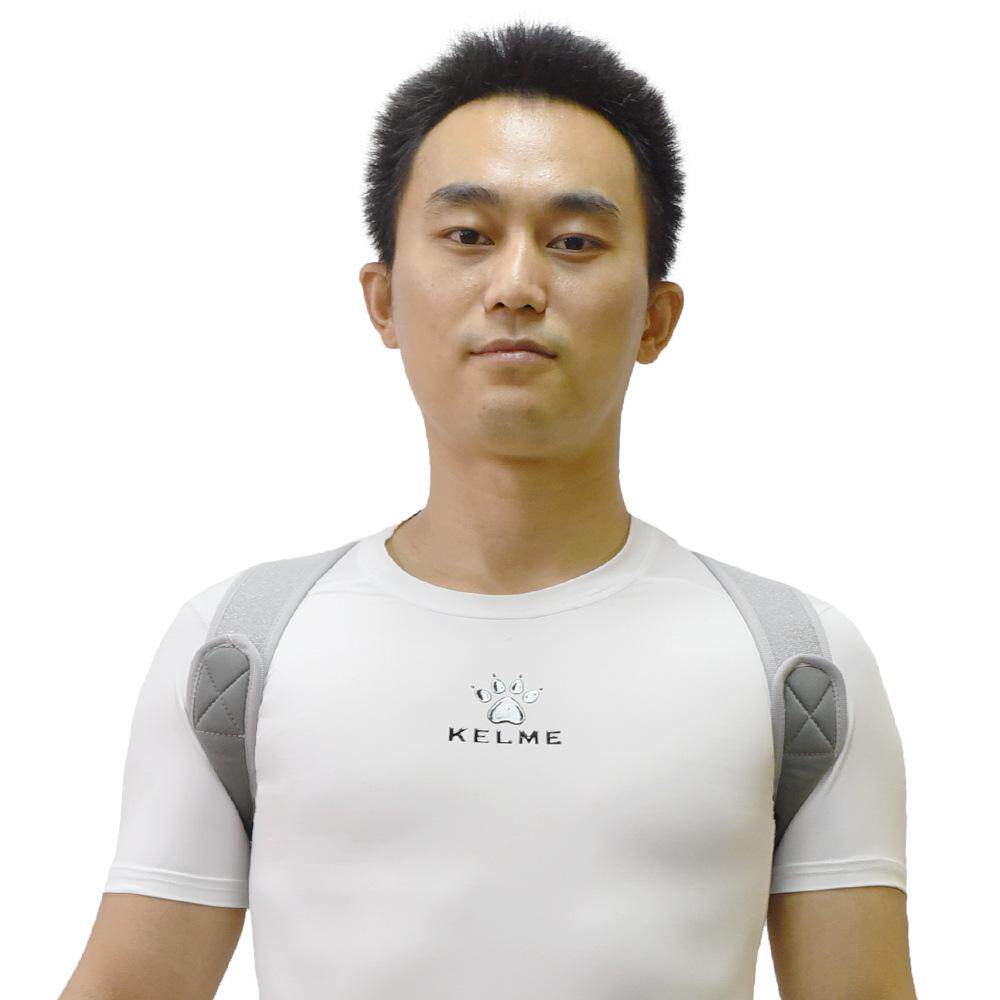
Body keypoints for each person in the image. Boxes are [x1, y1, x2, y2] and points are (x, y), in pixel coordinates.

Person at [59, 21, 916, 1000]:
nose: (517, 286)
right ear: (382, 299)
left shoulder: (797, 663)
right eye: (468, 235)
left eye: (574, 242)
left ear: (656, 316)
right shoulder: (238, 649)